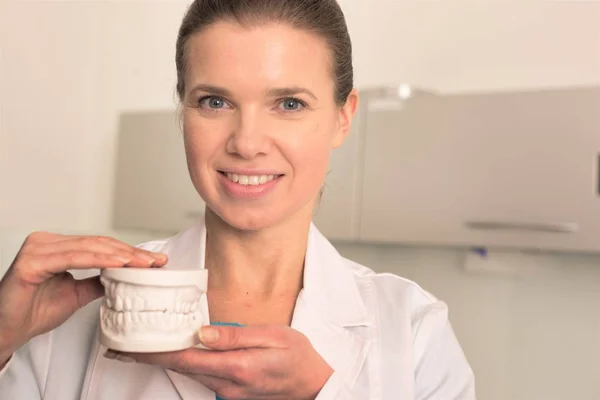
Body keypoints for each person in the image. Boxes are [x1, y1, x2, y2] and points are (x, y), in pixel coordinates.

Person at [0, 0, 476, 399]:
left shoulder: (413, 332)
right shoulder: (71, 314)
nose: (247, 143)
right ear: (183, 107)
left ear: (342, 117)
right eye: (214, 102)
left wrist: (323, 395)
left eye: (289, 104)